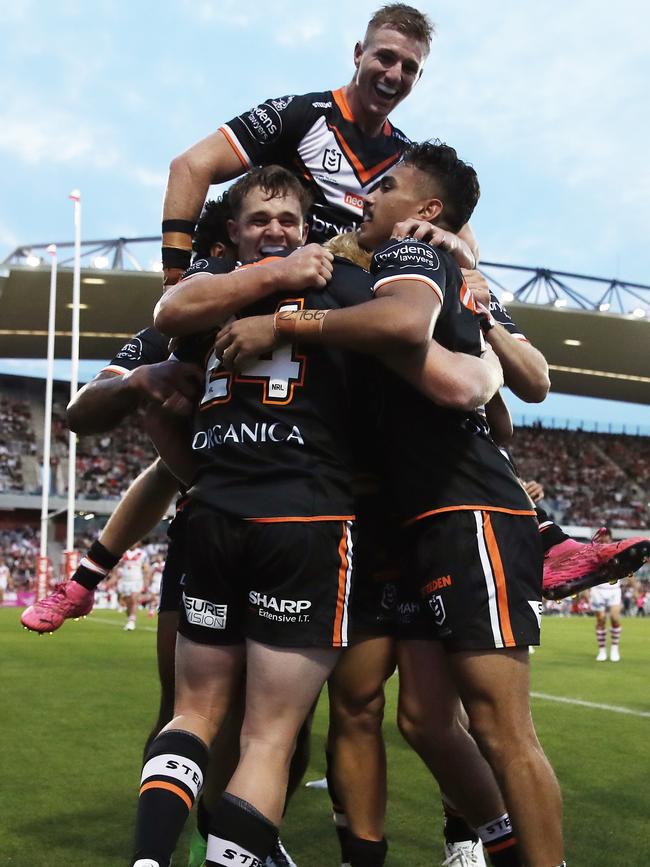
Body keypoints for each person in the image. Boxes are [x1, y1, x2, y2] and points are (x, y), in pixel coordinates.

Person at [132, 163, 502, 867]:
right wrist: (484, 361)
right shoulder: (337, 282)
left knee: (197, 713)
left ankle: (149, 858)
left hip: (217, 512)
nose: (275, 231)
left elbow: (168, 313)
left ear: (306, 227)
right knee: (267, 736)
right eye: (261, 219)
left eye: (288, 220)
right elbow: (422, 343)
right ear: (235, 230)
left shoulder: (206, 295)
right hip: (304, 521)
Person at [214, 143, 566, 867]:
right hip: (410, 518)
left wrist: (283, 324)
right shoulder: (387, 266)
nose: (369, 193)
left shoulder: (410, 254)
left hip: (463, 506)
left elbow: (427, 346)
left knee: (501, 727)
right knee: (426, 719)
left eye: (390, 184)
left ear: (426, 211)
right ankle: (493, 844)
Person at [160, 3, 477, 290]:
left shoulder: (407, 159)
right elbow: (190, 166)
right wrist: (174, 277)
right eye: (385, 57)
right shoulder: (301, 114)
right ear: (358, 54)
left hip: (358, 305)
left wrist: (454, 245)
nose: (394, 75)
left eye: (409, 68)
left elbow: (466, 247)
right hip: (283, 290)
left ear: (418, 78)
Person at [588, 529, 623, 661]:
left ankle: (614, 648)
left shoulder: (618, 550)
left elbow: (628, 567)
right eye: (602, 538)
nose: (604, 540)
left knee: (614, 618)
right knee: (601, 620)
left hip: (614, 589)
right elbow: (588, 570)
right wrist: (585, 589)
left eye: (606, 538)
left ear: (611, 538)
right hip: (598, 589)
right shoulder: (594, 552)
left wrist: (635, 587)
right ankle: (602, 650)